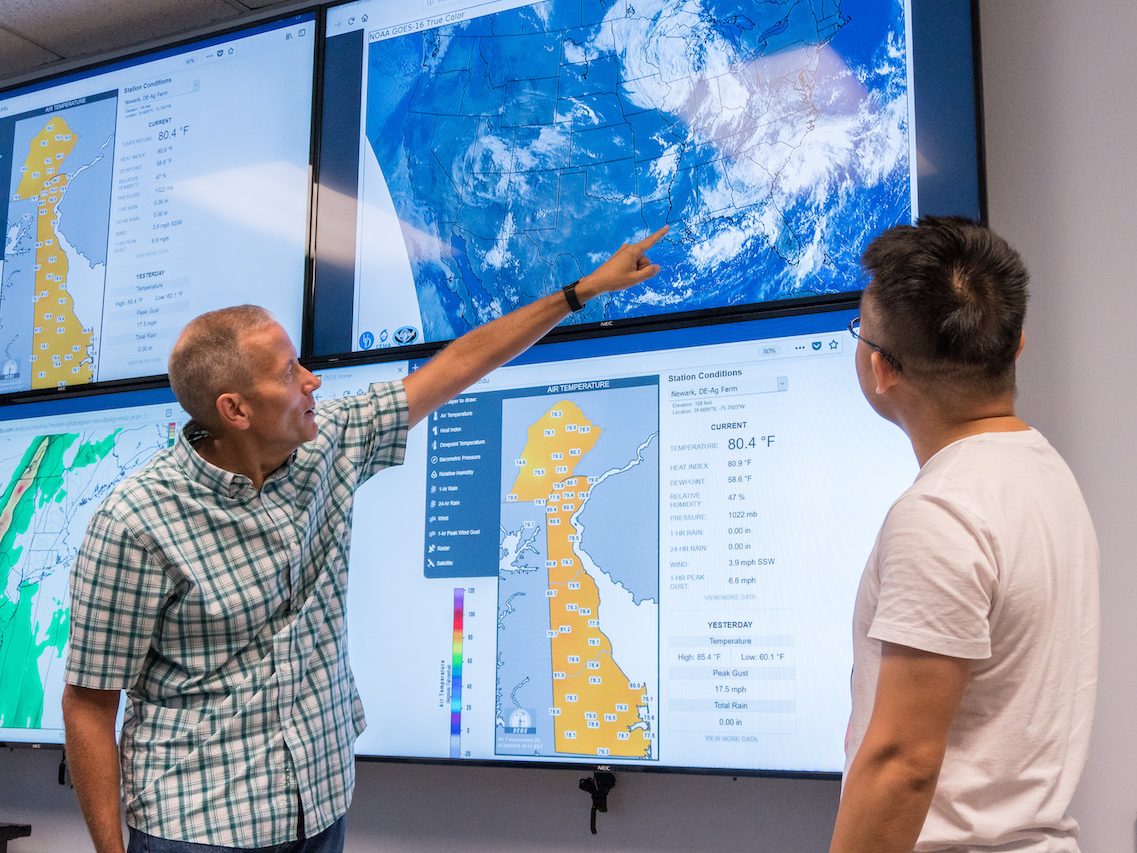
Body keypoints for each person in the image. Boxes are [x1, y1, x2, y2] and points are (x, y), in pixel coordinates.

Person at [61, 225, 668, 853]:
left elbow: (459, 363)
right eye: (288, 372)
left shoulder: (329, 443)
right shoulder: (135, 523)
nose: (312, 381)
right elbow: (88, 703)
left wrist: (579, 293)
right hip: (200, 827)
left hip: (319, 805)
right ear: (235, 410)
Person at [830, 217, 1099, 852]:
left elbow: (902, 762)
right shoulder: (1042, 471)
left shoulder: (941, 512)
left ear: (880, 369)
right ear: (1019, 344)